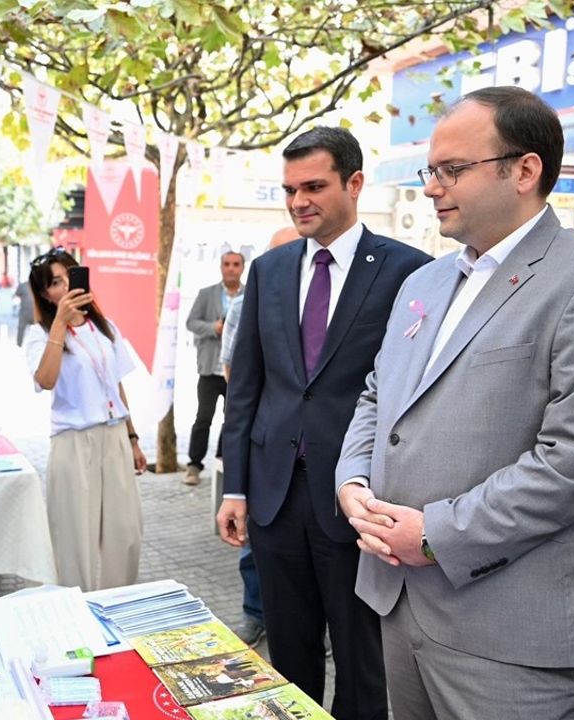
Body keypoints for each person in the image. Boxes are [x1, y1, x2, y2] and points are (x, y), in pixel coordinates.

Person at [336, 86, 574, 718]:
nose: (433, 187)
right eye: (432, 170)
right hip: (400, 602)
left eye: (453, 169)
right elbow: (380, 396)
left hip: (515, 628)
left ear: (525, 170)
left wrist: (434, 534)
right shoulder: (424, 281)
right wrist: (352, 479)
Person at [217, 126, 430, 719]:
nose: (298, 201)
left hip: (358, 498)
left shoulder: (409, 272)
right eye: (289, 189)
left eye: (313, 186)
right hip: (274, 496)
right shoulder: (269, 270)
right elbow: (248, 389)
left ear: (354, 183)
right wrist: (235, 486)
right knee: (288, 654)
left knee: (365, 659)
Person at [25, 247, 147, 591]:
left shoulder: (104, 328)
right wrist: (59, 326)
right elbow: (45, 380)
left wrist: (133, 438)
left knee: (125, 533)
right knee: (74, 537)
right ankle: (76, 616)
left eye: (69, 277)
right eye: (55, 283)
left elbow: (116, 385)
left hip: (115, 438)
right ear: (45, 294)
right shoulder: (39, 334)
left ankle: (117, 606)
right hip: (73, 442)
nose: (64, 287)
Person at [219, 229, 297, 647]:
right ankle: (255, 613)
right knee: (255, 542)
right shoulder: (250, 299)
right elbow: (234, 373)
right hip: (264, 440)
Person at [183, 251, 244, 486]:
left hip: (237, 372)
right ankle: (194, 465)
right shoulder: (206, 294)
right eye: (227, 264)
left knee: (233, 419)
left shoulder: (251, 293)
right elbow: (191, 322)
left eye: (236, 264)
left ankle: (224, 460)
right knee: (203, 418)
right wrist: (212, 328)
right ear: (220, 267)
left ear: (242, 267)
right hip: (209, 368)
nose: (231, 268)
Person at [16, 279, 35, 346]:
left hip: (35, 313)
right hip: (24, 312)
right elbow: (17, 295)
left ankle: (34, 344)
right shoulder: (23, 286)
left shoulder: (37, 286)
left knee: (37, 330)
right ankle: (19, 345)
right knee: (21, 328)